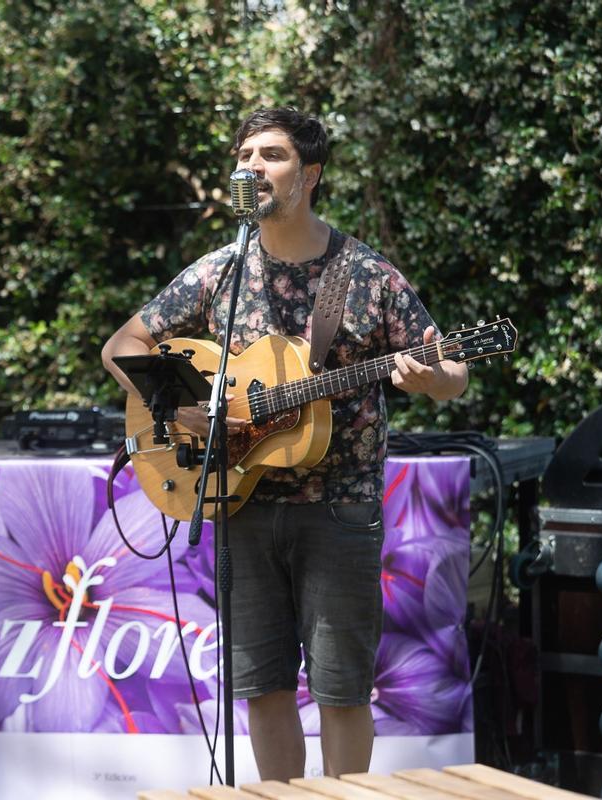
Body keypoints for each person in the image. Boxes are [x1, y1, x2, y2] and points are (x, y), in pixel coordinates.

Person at [100, 107, 468, 780]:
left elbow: (453, 373)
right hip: (240, 503)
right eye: (244, 154)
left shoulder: (364, 275)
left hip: (340, 509)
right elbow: (124, 345)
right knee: (262, 687)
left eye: (270, 154)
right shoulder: (220, 273)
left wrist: (430, 376)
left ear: (311, 174)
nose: (252, 165)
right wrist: (181, 411)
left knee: (340, 691)